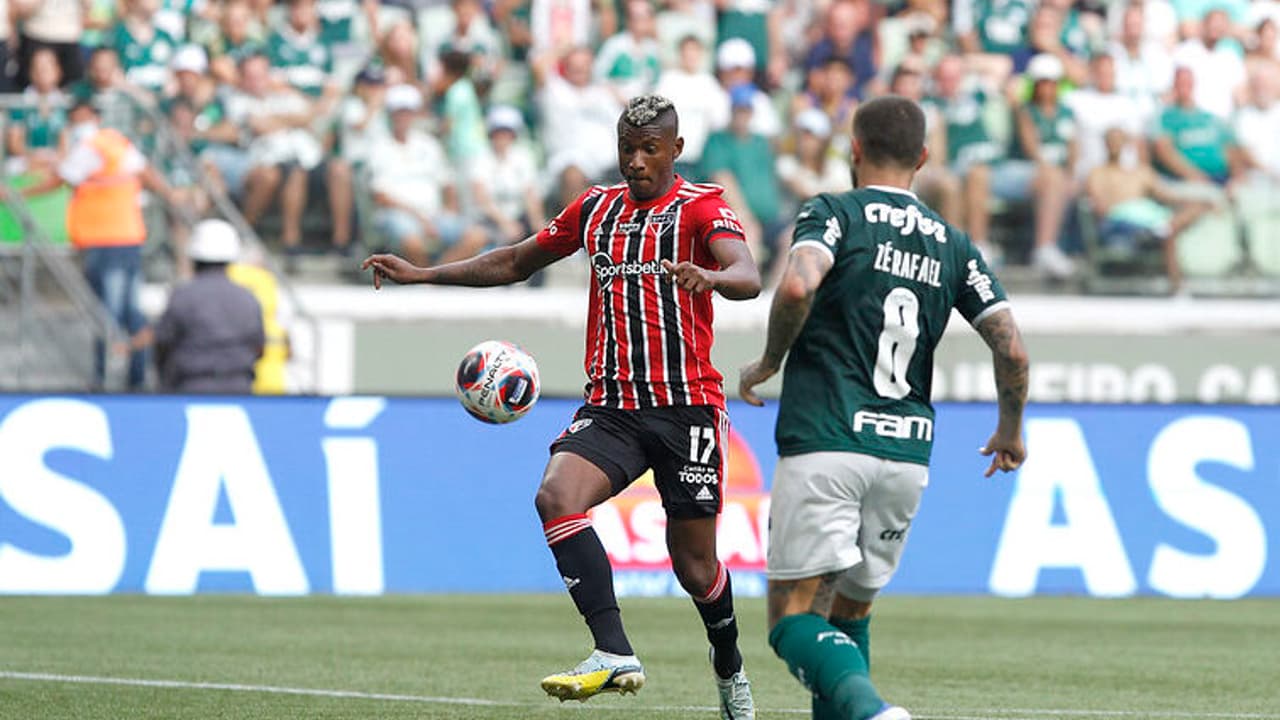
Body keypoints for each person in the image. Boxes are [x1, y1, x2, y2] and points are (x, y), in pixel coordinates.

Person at [362, 94, 761, 719]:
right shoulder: (595, 209)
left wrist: (712, 278)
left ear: (675, 150)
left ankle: (729, 663)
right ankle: (613, 651)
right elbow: (517, 261)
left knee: (694, 564)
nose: (635, 161)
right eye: (626, 147)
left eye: (649, 149)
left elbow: (747, 273)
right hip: (612, 407)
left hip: (688, 409)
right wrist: (424, 274)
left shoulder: (701, 208)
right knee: (555, 496)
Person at [739, 95, 1030, 720]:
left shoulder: (833, 212)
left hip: (827, 438)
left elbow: (796, 283)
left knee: (791, 620)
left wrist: (769, 362)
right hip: (905, 454)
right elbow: (1013, 350)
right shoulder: (954, 243)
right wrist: (1009, 429)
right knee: (851, 611)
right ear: (924, 157)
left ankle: (874, 712)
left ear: (854, 149)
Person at [20, 99, 175, 391]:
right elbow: (144, 172)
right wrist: (170, 193)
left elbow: (61, 179)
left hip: (105, 239)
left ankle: (104, 376)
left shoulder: (91, 147)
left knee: (107, 312)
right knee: (129, 310)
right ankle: (136, 376)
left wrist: (18, 193)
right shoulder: (115, 143)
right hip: (127, 235)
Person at [1086, 127, 1212, 293]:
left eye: (1118, 140)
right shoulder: (1098, 173)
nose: (1115, 145)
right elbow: (1100, 207)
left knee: (1191, 211)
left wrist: (1200, 201)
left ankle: (1162, 231)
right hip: (1122, 223)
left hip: (1149, 218)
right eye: (1111, 141)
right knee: (1169, 231)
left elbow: (1167, 195)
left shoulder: (1141, 172)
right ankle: (1176, 283)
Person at [153, 219, 265, 393]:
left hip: (190, 388)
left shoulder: (183, 296)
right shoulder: (247, 298)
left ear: (194, 258)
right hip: (240, 388)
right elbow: (259, 347)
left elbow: (163, 344)